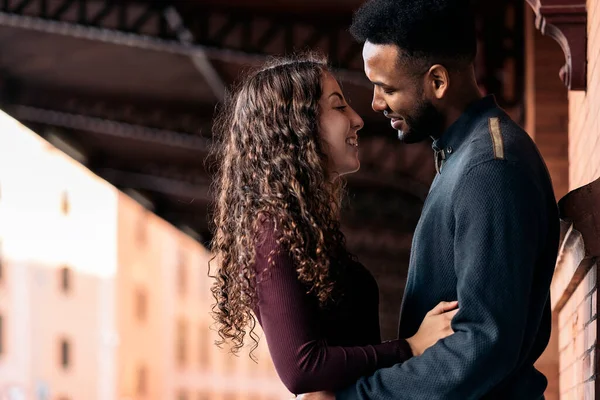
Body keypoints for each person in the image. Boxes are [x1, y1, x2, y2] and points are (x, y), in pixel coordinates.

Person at [304, 0, 560, 399]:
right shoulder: (463, 158)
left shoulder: (489, 169)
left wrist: (358, 396)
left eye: (387, 88)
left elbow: (483, 343)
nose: (374, 103)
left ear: (437, 82)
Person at [208, 54, 458, 396]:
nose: (358, 119)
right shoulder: (271, 233)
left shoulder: (305, 231)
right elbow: (301, 369)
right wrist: (410, 347)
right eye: (338, 107)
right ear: (297, 125)